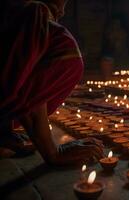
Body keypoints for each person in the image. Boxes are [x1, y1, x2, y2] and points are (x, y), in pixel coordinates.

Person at [0, 0, 104, 165]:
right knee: (64, 46)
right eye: (63, 3)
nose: (62, 12)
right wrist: (53, 151)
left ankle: (3, 130)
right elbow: (24, 74)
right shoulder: (32, 12)